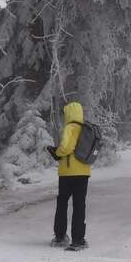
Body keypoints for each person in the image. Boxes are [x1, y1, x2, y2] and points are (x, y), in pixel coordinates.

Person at [48, 100, 91, 251]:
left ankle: (60, 237)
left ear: (69, 113)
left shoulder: (70, 127)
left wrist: (57, 153)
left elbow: (66, 147)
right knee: (79, 206)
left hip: (67, 173)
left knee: (62, 204)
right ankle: (78, 240)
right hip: (84, 172)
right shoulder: (86, 129)